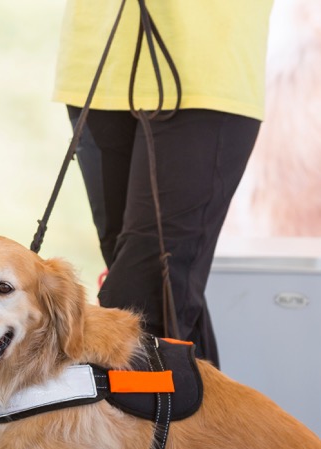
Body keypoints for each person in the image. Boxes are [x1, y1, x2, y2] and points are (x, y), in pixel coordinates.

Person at [54, 0, 273, 367]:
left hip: (205, 61)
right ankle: (211, 425)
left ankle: (152, 423)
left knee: (141, 298)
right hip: (97, 58)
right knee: (166, 297)